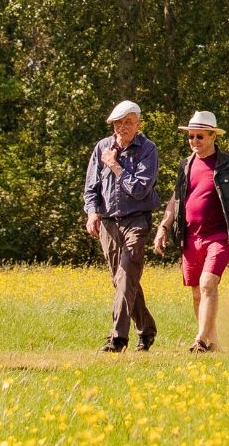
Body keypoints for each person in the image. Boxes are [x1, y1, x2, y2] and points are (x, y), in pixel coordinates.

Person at [154, 111, 229, 352]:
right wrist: (162, 227)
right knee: (197, 293)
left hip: (220, 235)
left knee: (208, 283)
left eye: (200, 136)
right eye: (191, 137)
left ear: (212, 136)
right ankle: (213, 342)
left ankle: (199, 339)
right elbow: (175, 199)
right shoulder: (185, 165)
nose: (194, 141)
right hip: (190, 236)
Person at [83, 100, 160, 353]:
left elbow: (140, 189)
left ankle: (117, 339)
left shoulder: (147, 149)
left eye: (128, 122)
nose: (122, 127)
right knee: (123, 281)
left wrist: (116, 166)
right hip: (108, 222)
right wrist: (92, 213)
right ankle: (146, 329)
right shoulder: (101, 147)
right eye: (118, 123)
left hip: (136, 220)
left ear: (138, 123)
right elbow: (91, 188)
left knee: (127, 275)